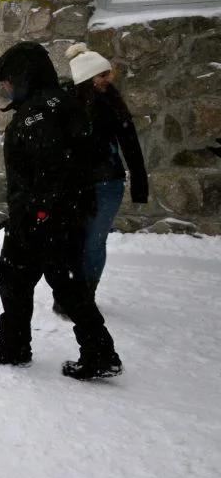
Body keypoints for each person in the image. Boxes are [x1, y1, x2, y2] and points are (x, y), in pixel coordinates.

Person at [0, 41, 123, 381]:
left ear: (25, 76)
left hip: (43, 218)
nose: (6, 88)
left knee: (21, 278)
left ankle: (17, 346)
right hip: (61, 214)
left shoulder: (38, 114)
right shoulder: (62, 103)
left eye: (8, 80)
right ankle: (96, 351)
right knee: (60, 284)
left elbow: (54, 168)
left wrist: (36, 212)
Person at [62, 42, 148, 305]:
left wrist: (139, 185)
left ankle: (86, 296)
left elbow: (130, 144)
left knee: (94, 243)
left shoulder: (113, 103)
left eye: (108, 73)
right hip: (74, 185)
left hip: (108, 184)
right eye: (102, 74)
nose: (108, 78)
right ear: (87, 78)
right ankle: (70, 293)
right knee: (72, 241)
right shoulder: (65, 105)